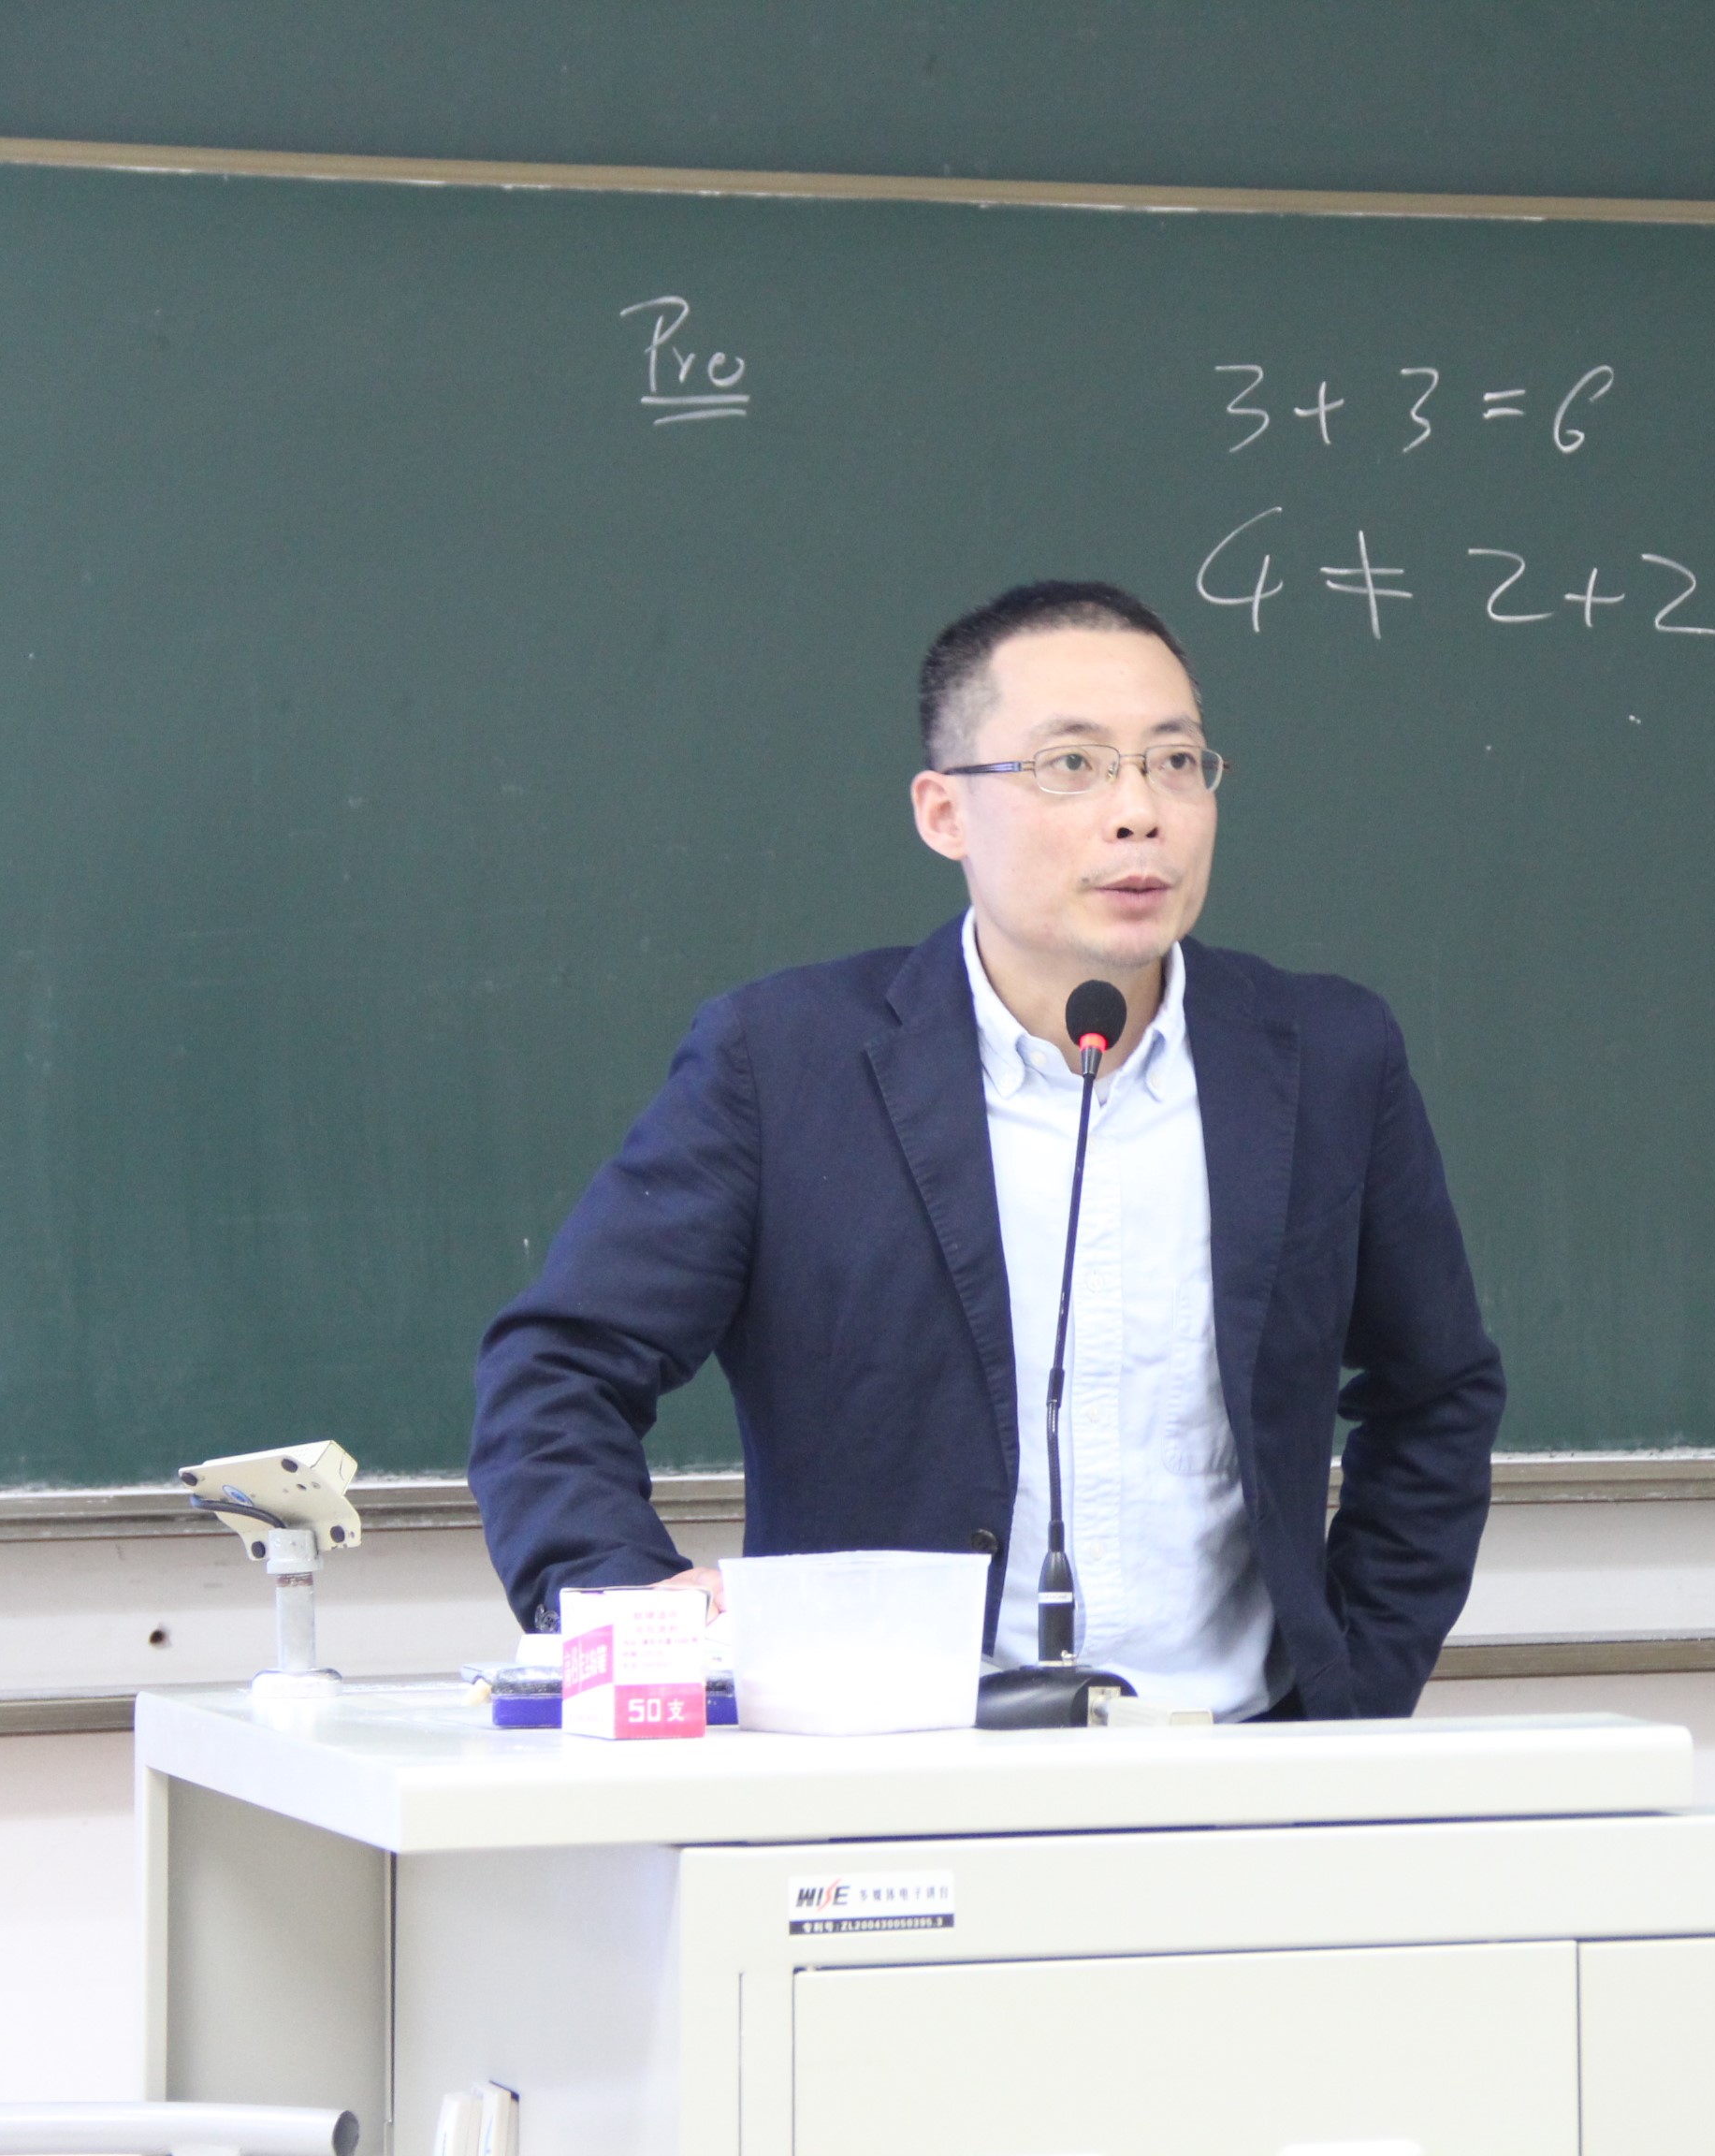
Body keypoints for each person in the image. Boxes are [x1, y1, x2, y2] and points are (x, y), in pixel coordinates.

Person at [468, 580, 1504, 1720]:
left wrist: (1353, 1691)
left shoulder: (1327, 1057)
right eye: (1073, 765)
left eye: (1175, 761)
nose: (1139, 812)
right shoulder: (784, 1063)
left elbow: (1437, 1391)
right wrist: (633, 1615)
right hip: (881, 1761)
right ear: (943, 813)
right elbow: (559, 1370)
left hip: (1242, 1758)